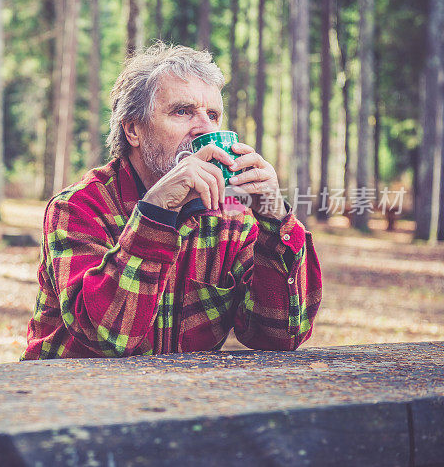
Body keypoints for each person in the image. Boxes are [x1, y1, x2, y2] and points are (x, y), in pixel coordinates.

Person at [22, 43, 322, 359]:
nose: (205, 128)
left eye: (213, 115)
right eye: (182, 111)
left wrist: (275, 218)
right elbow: (106, 338)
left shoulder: (233, 218)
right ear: (133, 129)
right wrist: (157, 211)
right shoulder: (78, 208)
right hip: (74, 399)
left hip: (178, 402)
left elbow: (279, 336)